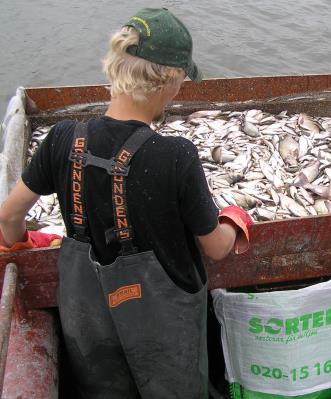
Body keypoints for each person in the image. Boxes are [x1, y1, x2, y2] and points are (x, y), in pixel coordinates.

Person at [0, 8, 252, 398]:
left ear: (114, 68)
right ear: (169, 81)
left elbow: (9, 215)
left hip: (88, 318)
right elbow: (217, 249)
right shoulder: (175, 155)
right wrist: (235, 219)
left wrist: (23, 244)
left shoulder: (63, 139)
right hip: (163, 325)